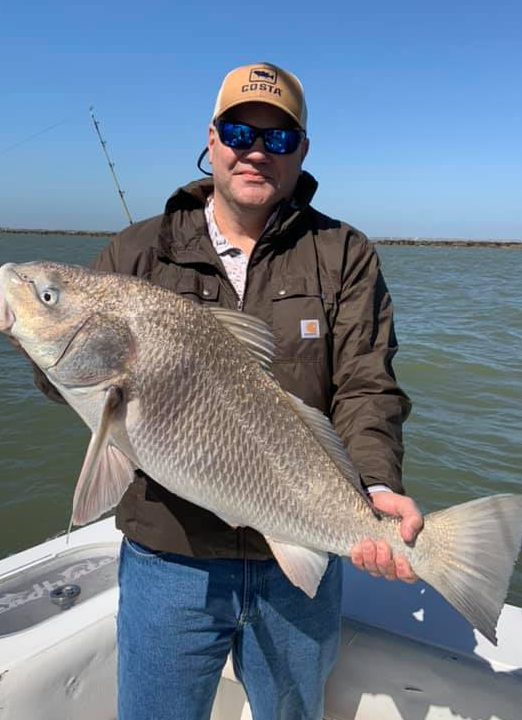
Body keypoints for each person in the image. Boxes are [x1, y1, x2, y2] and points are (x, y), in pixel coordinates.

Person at [34, 61, 423, 720]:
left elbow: (365, 381)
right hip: (170, 559)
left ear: (301, 151)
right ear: (211, 138)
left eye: (277, 138)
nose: (255, 151)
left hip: (298, 556)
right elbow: (64, 376)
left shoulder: (344, 252)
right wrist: (35, 338)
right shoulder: (137, 254)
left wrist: (377, 488)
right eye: (240, 130)